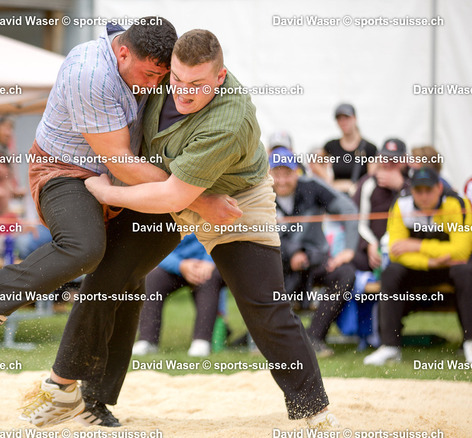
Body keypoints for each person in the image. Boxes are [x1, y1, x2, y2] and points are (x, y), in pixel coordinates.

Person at [0, 19, 240, 428]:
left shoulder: (172, 72)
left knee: (126, 277)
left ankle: (93, 399)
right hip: (67, 171)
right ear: (122, 53)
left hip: (131, 183)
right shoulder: (90, 74)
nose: (156, 85)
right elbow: (120, 162)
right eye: (150, 74)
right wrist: (198, 198)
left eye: (164, 77)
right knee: (84, 248)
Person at [85, 29, 338, 428]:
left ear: (220, 78)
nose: (184, 93)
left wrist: (107, 192)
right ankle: (85, 396)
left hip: (235, 200)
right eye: (178, 80)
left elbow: (172, 197)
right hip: (166, 183)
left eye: (197, 85)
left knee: (265, 308)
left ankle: (315, 412)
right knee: (112, 274)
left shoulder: (230, 119)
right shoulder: (163, 73)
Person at [363, 167, 472, 365]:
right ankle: (390, 346)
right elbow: (396, 251)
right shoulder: (401, 203)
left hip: (450, 268)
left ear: (439, 188)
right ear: (411, 190)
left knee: (465, 271)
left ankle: (470, 343)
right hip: (422, 267)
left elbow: (461, 252)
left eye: (428, 190)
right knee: (390, 273)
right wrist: (430, 261)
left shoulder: (457, 203)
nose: (423, 196)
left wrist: (416, 245)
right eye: (418, 190)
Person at [268, 148, 358, 357]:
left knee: (346, 274)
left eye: (287, 173)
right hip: (277, 264)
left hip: (315, 261)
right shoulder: (259, 195)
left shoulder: (313, 187)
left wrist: (348, 250)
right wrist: (293, 253)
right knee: (261, 277)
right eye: (276, 173)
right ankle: (269, 340)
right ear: (268, 174)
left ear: (297, 172)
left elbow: (349, 210)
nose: (282, 180)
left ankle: (314, 337)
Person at [132, 233, 224, 357]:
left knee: (209, 279)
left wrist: (209, 261)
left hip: (206, 264)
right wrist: (180, 265)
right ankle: (147, 340)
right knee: (152, 278)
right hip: (176, 265)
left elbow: (222, 236)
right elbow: (154, 247)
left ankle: (201, 341)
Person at [352, 139, 410, 274]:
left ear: (404, 160)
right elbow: (358, 219)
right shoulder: (368, 183)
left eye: (394, 160)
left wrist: (401, 186)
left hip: (404, 248)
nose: (388, 164)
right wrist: (369, 244)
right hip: (373, 248)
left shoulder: (413, 183)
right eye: (384, 158)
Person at [322, 103, 377, 194]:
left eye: (347, 118)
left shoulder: (369, 148)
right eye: (339, 119)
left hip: (359, 196)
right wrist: (329, 181)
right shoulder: (331, 146)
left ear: (355, 118)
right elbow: (314, 162)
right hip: (337, 195)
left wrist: (354, 187)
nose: (343, 122)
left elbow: (371, 179)